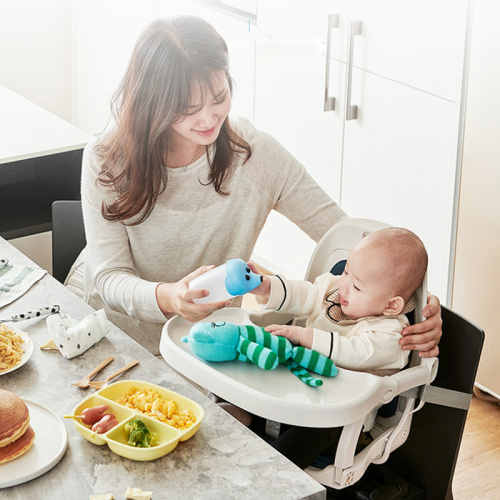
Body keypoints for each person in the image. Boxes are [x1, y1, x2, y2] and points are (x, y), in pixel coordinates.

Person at [71, 15, 442, 359]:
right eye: (188, 107)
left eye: (219, 98)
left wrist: (417, 301)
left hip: (205, 340)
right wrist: (170, 297)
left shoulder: (252, 155)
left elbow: (352, 239)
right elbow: (109, 278)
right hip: (106, 332)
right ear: (153, 102)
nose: (208, 118)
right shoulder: (108, 159)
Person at [247, 226, 429, 468]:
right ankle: (241, 416)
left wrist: (306, 337)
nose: (343, 285)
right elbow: (306, 293)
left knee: (313, 431)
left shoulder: (390, 334)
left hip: (342, 419)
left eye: (357, 286)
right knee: (256, 381)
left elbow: (353, 352)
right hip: (294, 390)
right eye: (345, 271)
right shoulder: (335, 289)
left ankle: (273, 472)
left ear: (392, 305)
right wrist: (269, 287)